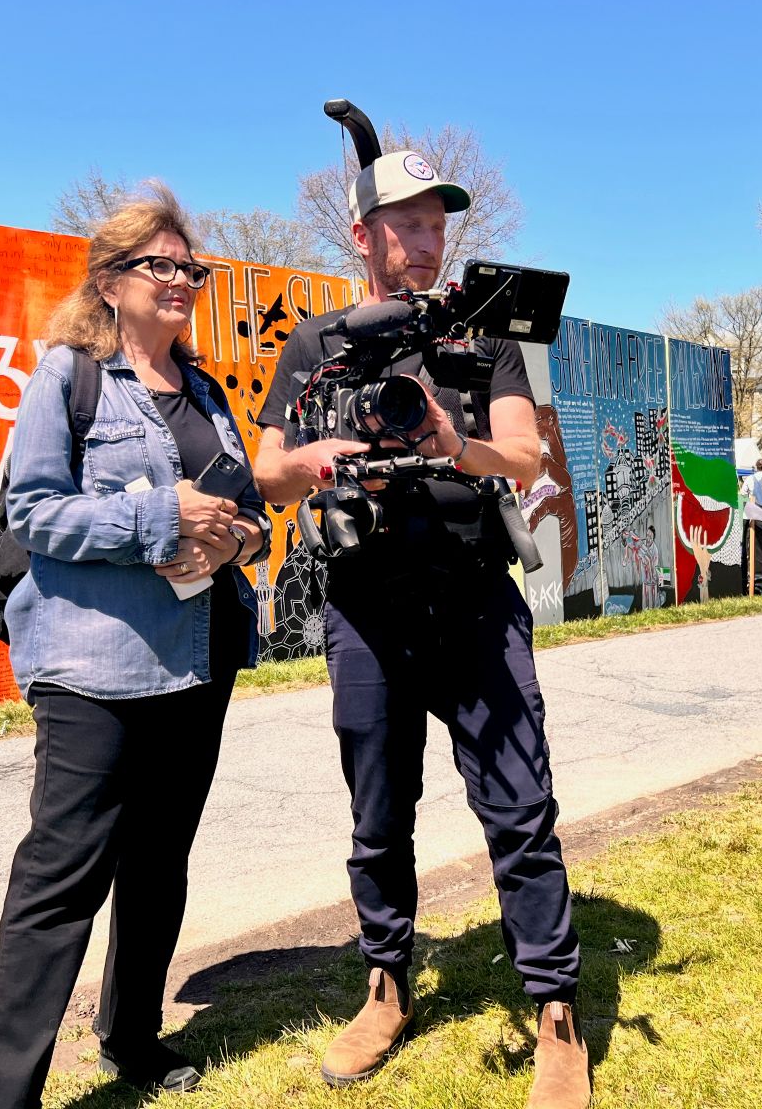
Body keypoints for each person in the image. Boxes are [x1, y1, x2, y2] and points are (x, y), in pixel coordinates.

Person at [253, 151, 589, 1108]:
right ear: (362, 235)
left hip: (477, 594)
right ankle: (386, 987)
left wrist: (451, 442)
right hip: (365, 601)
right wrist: (311, 457)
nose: (427, 238)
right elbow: (267, 471)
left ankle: (556, 1014)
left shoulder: (486, 341)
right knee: (377, 813)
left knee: (521, 809)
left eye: (438, 221)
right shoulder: (317, 344)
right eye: (405, 223)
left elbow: (522, 454)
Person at [0, 186, 271, 1109]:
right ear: (111, 280)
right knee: (62, 879)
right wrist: (158, 513)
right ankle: (7, 1096)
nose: (183, 280)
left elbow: (250, 518)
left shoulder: (211, 391)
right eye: (164, 265)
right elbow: (30, 512)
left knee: (160, 864)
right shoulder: (68, 376)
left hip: (201, 657)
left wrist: (240, 540)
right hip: (92, 668)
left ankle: (132, 1040)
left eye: (194, 268)